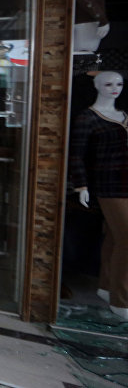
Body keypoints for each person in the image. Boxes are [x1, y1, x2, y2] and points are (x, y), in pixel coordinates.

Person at [69, 71, 128, 320]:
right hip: (107, 184)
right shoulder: (87, 118)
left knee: (115, 238)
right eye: (107, 83)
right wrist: (81, 185)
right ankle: (121, 299)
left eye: (119, 84)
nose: (114, 88)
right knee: (126, 238)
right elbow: (77, 154)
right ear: (96, 86)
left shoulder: (124, 116)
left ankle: (106, 287)